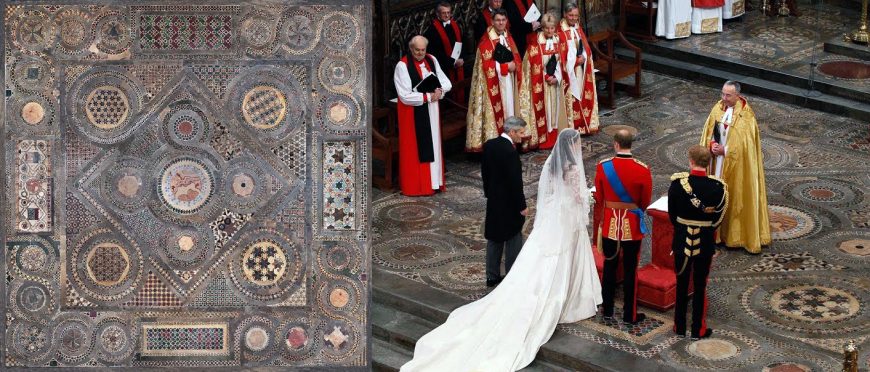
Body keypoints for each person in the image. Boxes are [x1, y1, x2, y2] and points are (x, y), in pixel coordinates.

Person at [400, 128, 602, 372]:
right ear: (572, 145)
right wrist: (590, 196)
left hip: (553, 221)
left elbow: (548, 195)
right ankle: (571, 297)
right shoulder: (571, 169)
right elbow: (578, 197)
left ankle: (497, 275)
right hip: (566, 222)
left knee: (529, 255)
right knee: (560, 260)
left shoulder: (552, 165)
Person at [699, 80, 770, 254]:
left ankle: (733, 236)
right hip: (717, 163)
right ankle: (715, 233)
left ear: (737, 95)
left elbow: (747, 146)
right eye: (722, 94)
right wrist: (712, 144)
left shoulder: (746, 116)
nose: (724, 98)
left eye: (728, 95)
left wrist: (727, 150)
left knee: (735, 197)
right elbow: (709, 130)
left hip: (737, 166)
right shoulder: (717, 108)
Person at [668, 145, 728, 340]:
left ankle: (679, 326)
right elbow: (717, 219)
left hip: (681, 239)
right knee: (700, 286)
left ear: (690, 161)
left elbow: (672, 215)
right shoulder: (718, 188)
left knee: (681, 283)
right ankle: (697, 330)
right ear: (708, 163)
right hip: (704, 242)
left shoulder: (678, 184)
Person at [594, 129, 652, 324]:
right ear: (631, 144)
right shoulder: (643, 169)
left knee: (609, 267)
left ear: (615, 144)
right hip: (632, 226)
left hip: (610, 223)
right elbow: (644, 202)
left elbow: (600, 198)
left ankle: (607, 310)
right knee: (630, 270)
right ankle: (630, 314)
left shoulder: (603, 167)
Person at [394, 35, 453, 196]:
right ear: (411, 49)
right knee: (417, 149)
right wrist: (427, 97)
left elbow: (446, 82)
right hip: (414, 113)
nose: (420, 53)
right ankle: (419, 186)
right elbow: (404, 95)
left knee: (433, 143)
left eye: (423, 50)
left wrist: (440, 91)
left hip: (432, 109)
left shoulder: (432, 59)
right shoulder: (402, 66)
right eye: (417, 50)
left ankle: (434, 183)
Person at [465, 9, 523, 152]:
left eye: (503, 20)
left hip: (508, 81)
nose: (501, 23)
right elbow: (485, 66)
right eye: (498, 20)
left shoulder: (508, 36)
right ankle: (498, 143)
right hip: (494, 86)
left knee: (509, 109)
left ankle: (510, 141)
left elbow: (516, 55)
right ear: (492, 21)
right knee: (499, 112)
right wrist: (504, 67)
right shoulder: (486, 41)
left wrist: (515, 65)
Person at [481, 116, 528, 288]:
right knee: (513, 237)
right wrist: (522, 206)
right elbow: (516, 182)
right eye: (521, 133)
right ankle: (512, 276)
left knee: (494, 238)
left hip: (494, 200)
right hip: (509, 203)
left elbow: (485, 172)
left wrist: (490, 194)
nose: (522, 136)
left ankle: (492, 276)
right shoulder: (510, 152)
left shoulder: (490, 145)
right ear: (512, 131)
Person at [519, 12, 569, 151]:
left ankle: (553, 135)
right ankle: (543, 138)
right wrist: (546, 77)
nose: (549, 31)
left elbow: (561, 63)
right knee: (545, 110)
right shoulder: (535, 44)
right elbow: (531, 67)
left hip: (555, 84)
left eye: (552, 28)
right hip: (542, 85)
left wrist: (557, 77)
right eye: (547, 28)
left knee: (554, 110)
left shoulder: (558, 41)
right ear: (542, 28)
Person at [557, 2, 599, 135]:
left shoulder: (578, 28)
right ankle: (573, 126)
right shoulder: (559, 32)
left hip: (581, 69)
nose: (573, 18)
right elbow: (559, 56)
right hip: (569, 75)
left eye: (576, 15)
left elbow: (586, 49)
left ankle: (584, 124)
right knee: (572, 99)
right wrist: (575, 61)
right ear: (564, 14)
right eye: (570, 15)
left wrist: (584, 58)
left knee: (583, 95)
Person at [423, 2, 466, 102]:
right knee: (449, 98)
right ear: (438, 14)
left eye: (449, 12)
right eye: (444, 13)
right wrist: (452, 62)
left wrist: (462, 58)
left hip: (459, 65)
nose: (447, 15)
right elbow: (435, 53)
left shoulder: (455, 25)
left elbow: (462, 43)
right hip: (444, 69)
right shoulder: (431, 31)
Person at [474, 0, 540, 60]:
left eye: (500, 1)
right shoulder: (482, 17)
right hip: (492, 54)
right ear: (489, 1)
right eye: (495, 1)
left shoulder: (504, 13)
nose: (498, 3)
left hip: (509, 50)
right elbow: (481, 41)